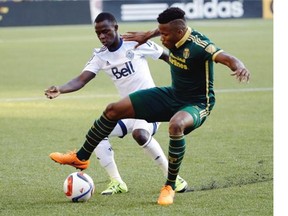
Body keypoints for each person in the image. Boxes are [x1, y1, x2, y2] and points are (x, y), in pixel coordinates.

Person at [49, 7, 250, 205]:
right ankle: (81, 157)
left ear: (179, 32)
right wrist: (149, 34)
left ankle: (170, 186)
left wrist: (239, 66)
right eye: (160, 33)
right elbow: (166, 31)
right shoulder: (171, 34)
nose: (161, 39)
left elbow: (225, 57)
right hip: (173, 95)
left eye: (163, 34)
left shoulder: (199, 45)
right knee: (112, 110)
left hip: (197, 103)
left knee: (175, 124)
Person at [45, 12, 188, 195]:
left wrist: (185, 73)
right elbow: (81, 80)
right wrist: (61, 89)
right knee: (98, 134)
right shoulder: (100, 56)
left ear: (116, 28)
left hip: (151, 107)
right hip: (128, 110)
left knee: (140, 134)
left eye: (106, 31)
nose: (102, 37)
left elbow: (166, 57)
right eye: (98, 33)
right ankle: (117, 182)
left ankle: (174, 179)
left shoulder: (135, 44)